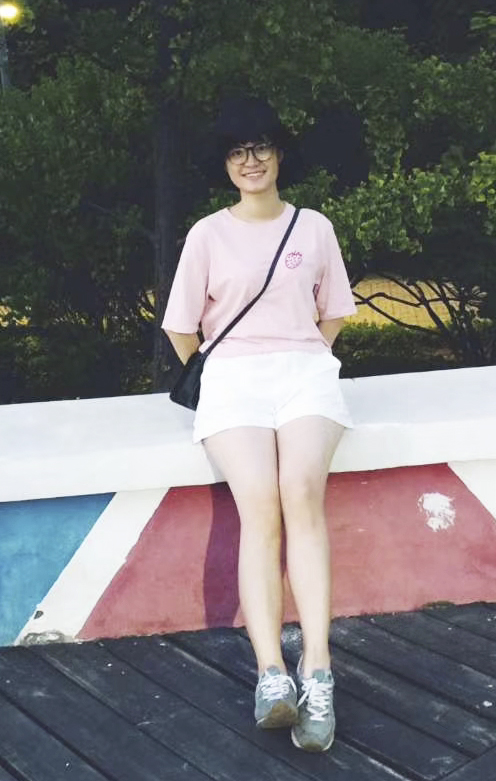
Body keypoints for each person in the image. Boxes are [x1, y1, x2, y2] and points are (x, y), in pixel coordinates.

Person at [162, 97, 356, 753]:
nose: (251, 160)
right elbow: (181, 328)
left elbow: (334, 311)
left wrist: (304, 354)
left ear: (280, 154)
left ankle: (317, 668)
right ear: (224, 164)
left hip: (305, 374)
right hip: (233, 381)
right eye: (237, 151)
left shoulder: (314, 227)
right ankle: (271, 673)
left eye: (261, 147)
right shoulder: (206, 234)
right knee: (260, 504)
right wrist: (227, 373)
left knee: (301, 492)